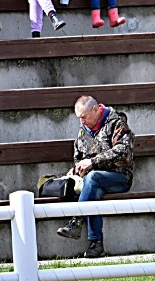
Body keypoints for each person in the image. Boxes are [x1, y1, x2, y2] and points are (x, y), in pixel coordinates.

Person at [57, 95, 134, 259]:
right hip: (94, 181)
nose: (82, 122)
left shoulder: (117, 123)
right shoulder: (82, 132)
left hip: (120, 177)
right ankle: (96, 244)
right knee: (94, 191)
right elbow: (78, 158)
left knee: (92, 178)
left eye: (84, 117)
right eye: (79, 118)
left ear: (96, 110)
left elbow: (123, 152)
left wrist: (92, 162)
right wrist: (76, 170)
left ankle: (77, 218)